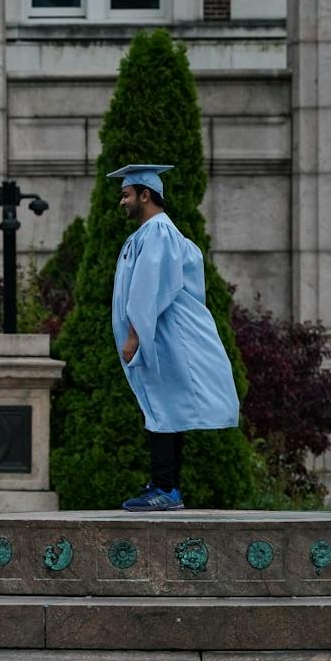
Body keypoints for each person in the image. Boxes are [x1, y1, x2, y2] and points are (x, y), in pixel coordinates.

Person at [108, 164, 240, 512]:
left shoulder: (158, 233)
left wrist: (135, 334)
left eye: (126, 194)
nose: (122, 202)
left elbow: (149, 287)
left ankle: (165, 487)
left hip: (162, 337)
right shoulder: (153, 232)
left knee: (163, 407)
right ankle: (166, 486)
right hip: (160, 337)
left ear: (145, 195)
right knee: (164, 408)